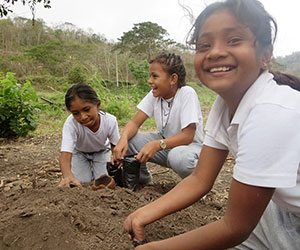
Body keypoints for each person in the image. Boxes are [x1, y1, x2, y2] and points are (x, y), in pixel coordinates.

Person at [123, 0, 300, 249]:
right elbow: (199, 179)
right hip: (282, 208)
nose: (215, 52)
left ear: (266, 54)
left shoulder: (271, 113)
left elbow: (235, 227)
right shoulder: (224, 105)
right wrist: (143, 214)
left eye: (234, 40)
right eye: (204, 45)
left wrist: (154, 247)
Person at [113, 52, 204, 184]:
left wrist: (157, 144)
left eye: (155, 76)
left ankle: (198, 184)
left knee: (178, 158)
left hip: (189, 148)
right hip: (165, 145)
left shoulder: (186, 93)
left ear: (173, 79)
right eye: (150, 76)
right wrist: (123, 139)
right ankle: (142, 179)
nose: (150, 81)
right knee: (130, 141)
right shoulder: (155, 95)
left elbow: (188, 136)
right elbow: (134, 122)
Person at [59, 83, 120, 187]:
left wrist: (116, 160)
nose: (83, 117)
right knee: (82, 182)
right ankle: (85, 174)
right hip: (79, 153)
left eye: (86, 110)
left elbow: (115, 146)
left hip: (101, 151)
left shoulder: (110, 121)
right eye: (76, 113)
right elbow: (65, 153)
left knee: (103, 180)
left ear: (97, 105)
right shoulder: (71, 124)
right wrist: (67, 175)